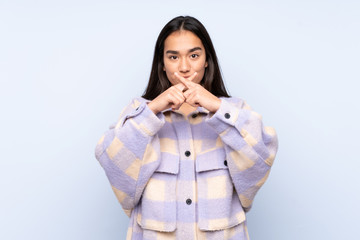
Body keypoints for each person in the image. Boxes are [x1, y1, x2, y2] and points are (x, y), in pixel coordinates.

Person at [94, 16, 278, 240]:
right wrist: (153, 109)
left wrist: (218, 108)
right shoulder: (140, 112)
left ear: (206, 60)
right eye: (173, 57)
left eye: (194, 55)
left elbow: (261, 160)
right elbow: (112, 162)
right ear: (162, 63)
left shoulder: (234, 110)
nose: (184, 67)